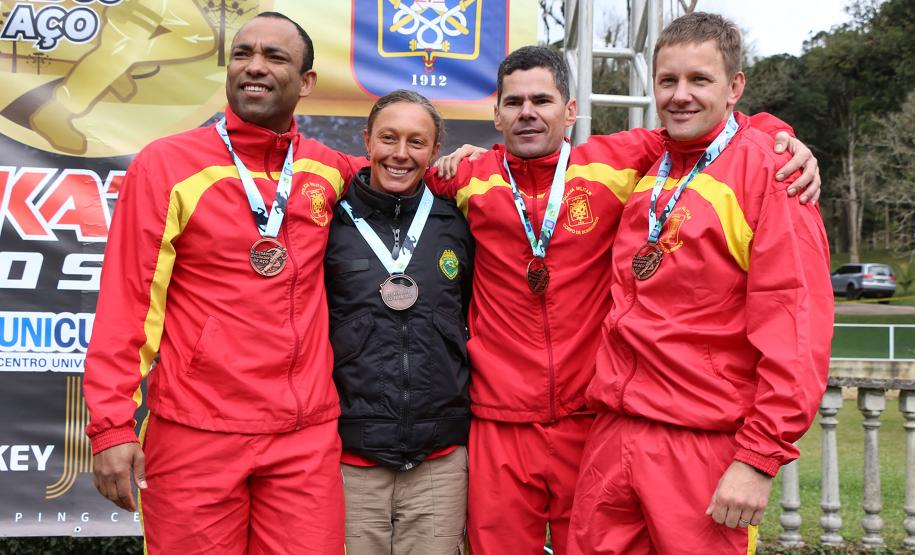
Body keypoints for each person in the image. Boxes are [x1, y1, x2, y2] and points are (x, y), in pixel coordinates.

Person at [427, 45, 822, 554]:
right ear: (496, 114)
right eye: (514, 102)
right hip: (500, 421)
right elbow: (390, 165)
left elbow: (709, 126)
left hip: (588, 420)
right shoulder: (464, 177)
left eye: (543, 100)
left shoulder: (617, 159)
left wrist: (781, 137)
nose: (528, 112)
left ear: (569, 110)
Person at [83, 12, 361, 554]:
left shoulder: (330, 171)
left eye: (275, 57)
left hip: (303, 438)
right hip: (196, 431)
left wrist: (461, 163)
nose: (254, 67)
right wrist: (112, 426)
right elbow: (129, 304)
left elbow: (403, 170)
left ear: (306, 82)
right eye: (242, 53)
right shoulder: (167, 164)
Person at [566, 13, 833, 554]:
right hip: (613, 434)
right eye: (668, 81)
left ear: (735, 87)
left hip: (702, 445)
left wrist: (758, 458)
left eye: (699, 80)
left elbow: (796, 329)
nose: (680, 95)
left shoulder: (770, 174)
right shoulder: (649, 164)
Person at [325, 89, 473, 555]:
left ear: (435, 150)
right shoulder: (330, 219)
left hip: (439, 462)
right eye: (388, 138)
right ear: (367, 140)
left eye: (416, 142)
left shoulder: (460, 219)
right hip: (351, 459)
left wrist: (485, 159)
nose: (400, 154)